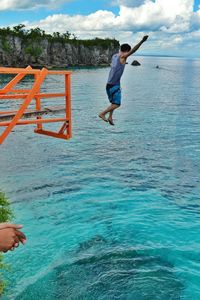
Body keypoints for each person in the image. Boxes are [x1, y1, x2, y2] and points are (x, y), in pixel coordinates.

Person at [99, 35, 149, 125]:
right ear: (127, 51)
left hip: (109, 84)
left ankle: (110, 117)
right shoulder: (122, 57)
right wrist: (142, 41)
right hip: (114, 85)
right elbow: (133, 50)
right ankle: (103, 113)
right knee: (117, 104)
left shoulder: (114, 56)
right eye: (128, 52)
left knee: (113, 102)